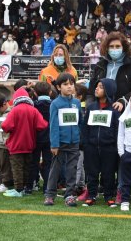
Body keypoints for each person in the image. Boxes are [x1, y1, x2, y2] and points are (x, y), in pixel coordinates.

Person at [2, 88, 48, 197]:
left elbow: (5, 126)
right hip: (30, 144)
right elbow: (42, 125)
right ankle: (27, 187)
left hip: (16, 144)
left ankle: (18, 190)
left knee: (17, 167)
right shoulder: (33, 110)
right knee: (27, 167)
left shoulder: (15, 110)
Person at [44, 73, 81, 207]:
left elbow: (79, 122)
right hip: (59, 143)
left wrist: (79, 138)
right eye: (65, 84)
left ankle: (70, 195)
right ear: (59, 87)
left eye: (71, 84)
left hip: (74, 142)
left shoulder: (76, 103)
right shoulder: (55, 104)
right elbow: (53, 125)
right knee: (55, 169)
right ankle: (49, 194)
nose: (69, 87)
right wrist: (54, 144)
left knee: (72, 169)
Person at [82, 78, 120, 207]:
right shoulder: (91, 107)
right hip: (91, 147)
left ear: (108, 90)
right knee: (91, 173)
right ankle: (92, 195)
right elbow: (86, 126)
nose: (96, 89)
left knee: (108, 173)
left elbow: (117, 129)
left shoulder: (114, 109)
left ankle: (109, 196)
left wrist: (114, 146)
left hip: (109, 148)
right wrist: (86, 144)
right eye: (96, 86)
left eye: (101, 87)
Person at [88, 31, 131, 111]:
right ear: (107, 48)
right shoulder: (100, 66)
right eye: (111, 46)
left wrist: (123, 101)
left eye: (118, 46)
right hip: (100, 111)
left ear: (123, 48)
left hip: (122, 112)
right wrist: (90, 105)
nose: (114, 49)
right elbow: (91, 90)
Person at [27, 82, 53, 194]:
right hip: (50, 137)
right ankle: (47, 187)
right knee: (48, 163)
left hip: (35, 137)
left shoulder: (33, 105)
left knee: (33, 162)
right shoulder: (54, 104)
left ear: (35, 93)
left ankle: (29, 186)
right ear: (50, 92)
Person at [0, 90, 14, 195]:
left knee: (5, 165)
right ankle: (0, 182)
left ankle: (6, 183)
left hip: (5, 143)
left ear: (5, 103)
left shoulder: (11, 112)